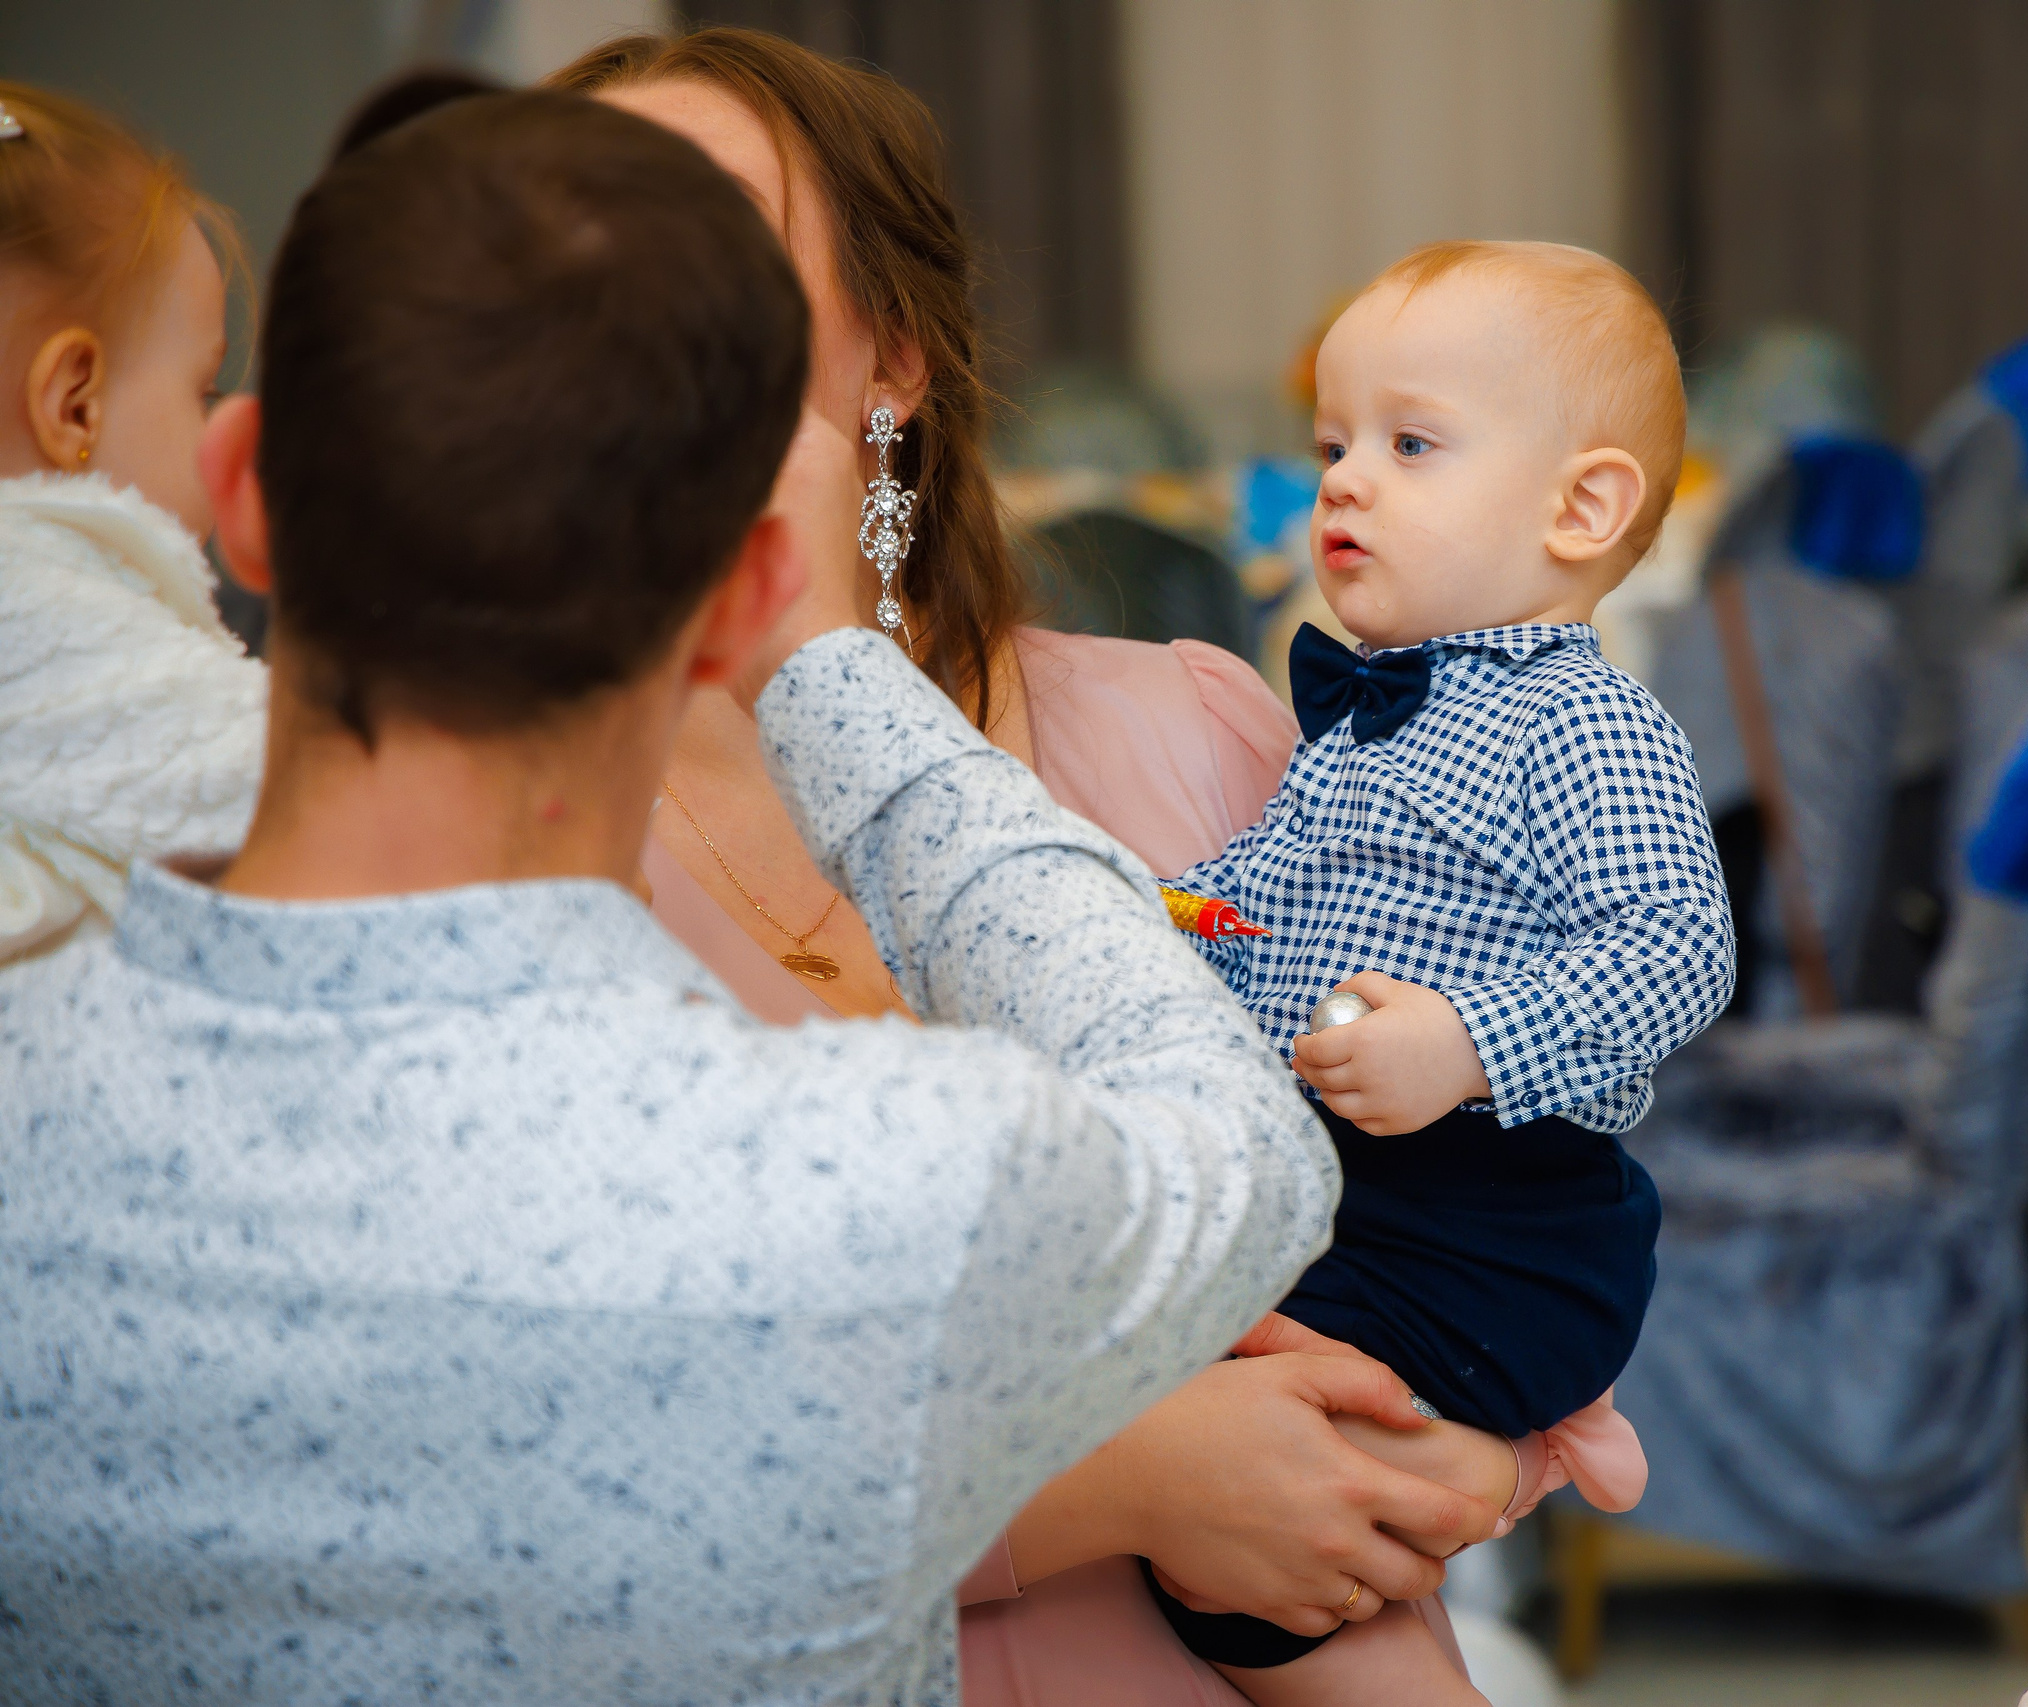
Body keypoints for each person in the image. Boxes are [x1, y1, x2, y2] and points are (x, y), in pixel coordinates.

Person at [0, 90, 1349, 1703]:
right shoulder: (873, 1177)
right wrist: (836, 673)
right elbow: (1248, 1142)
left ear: (246, 489)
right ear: (746, 591)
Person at [546, 29, 1499, 1702]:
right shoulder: (503, 853)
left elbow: (1473, 1186)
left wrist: (1475, 1439)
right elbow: (550, 1486)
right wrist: (1115, 1482)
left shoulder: (1195, 734)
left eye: (711, 246)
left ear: (890, 365)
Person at [1160, 240, 1736, 1703]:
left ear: (1583, 506)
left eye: (1410, 443)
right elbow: (1260, 895)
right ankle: (1507, 1452)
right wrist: (1151, 910)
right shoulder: (1360, 726)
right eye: (1334, 444)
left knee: (1236, 1522)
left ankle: (1498, 1453)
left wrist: (1469, 1040)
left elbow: (1679, 947)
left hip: (1495, 1208)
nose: (1345, 480)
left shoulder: (1586, 722)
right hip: (1357, 1188)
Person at [0, 81, 262, 970]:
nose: (223, 425)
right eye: (202, 391)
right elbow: (286, 796)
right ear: (73, 404)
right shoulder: (35, 600)